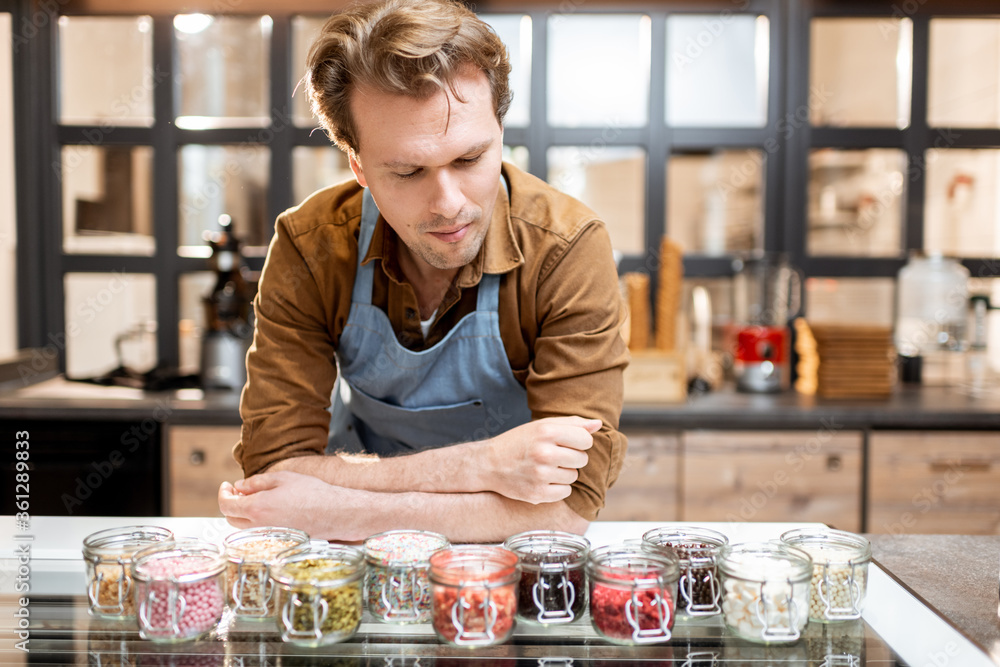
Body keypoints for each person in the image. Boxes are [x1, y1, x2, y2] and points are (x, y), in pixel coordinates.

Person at [218, 0, 629, 542]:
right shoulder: (311, 247)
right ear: (359, 166)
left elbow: (566, 511)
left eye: (469, 159)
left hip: (505, 569)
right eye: (408, 171)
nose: (449, 204)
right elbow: (273, 476)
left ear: (500, 130)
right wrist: (484, 465)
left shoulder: (566, 250)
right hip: (358, 571)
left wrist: (335, 509)